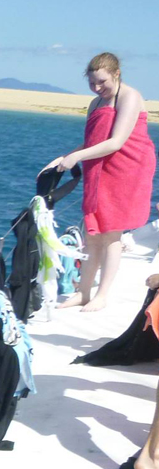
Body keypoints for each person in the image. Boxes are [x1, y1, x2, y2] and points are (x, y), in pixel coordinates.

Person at [43, 52, 157, 313]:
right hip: (98, 167)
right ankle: (83, 292)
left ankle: (102, 295)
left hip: (126, 169)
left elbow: (116, 142)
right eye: (92, 83)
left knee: (111, 233)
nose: (97, 88)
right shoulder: (95, 103)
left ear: (116, 74)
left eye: (102, 82)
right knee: (91, 233)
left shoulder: (130, 97)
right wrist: (66, 157)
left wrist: (77, 157)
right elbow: (93, 141)